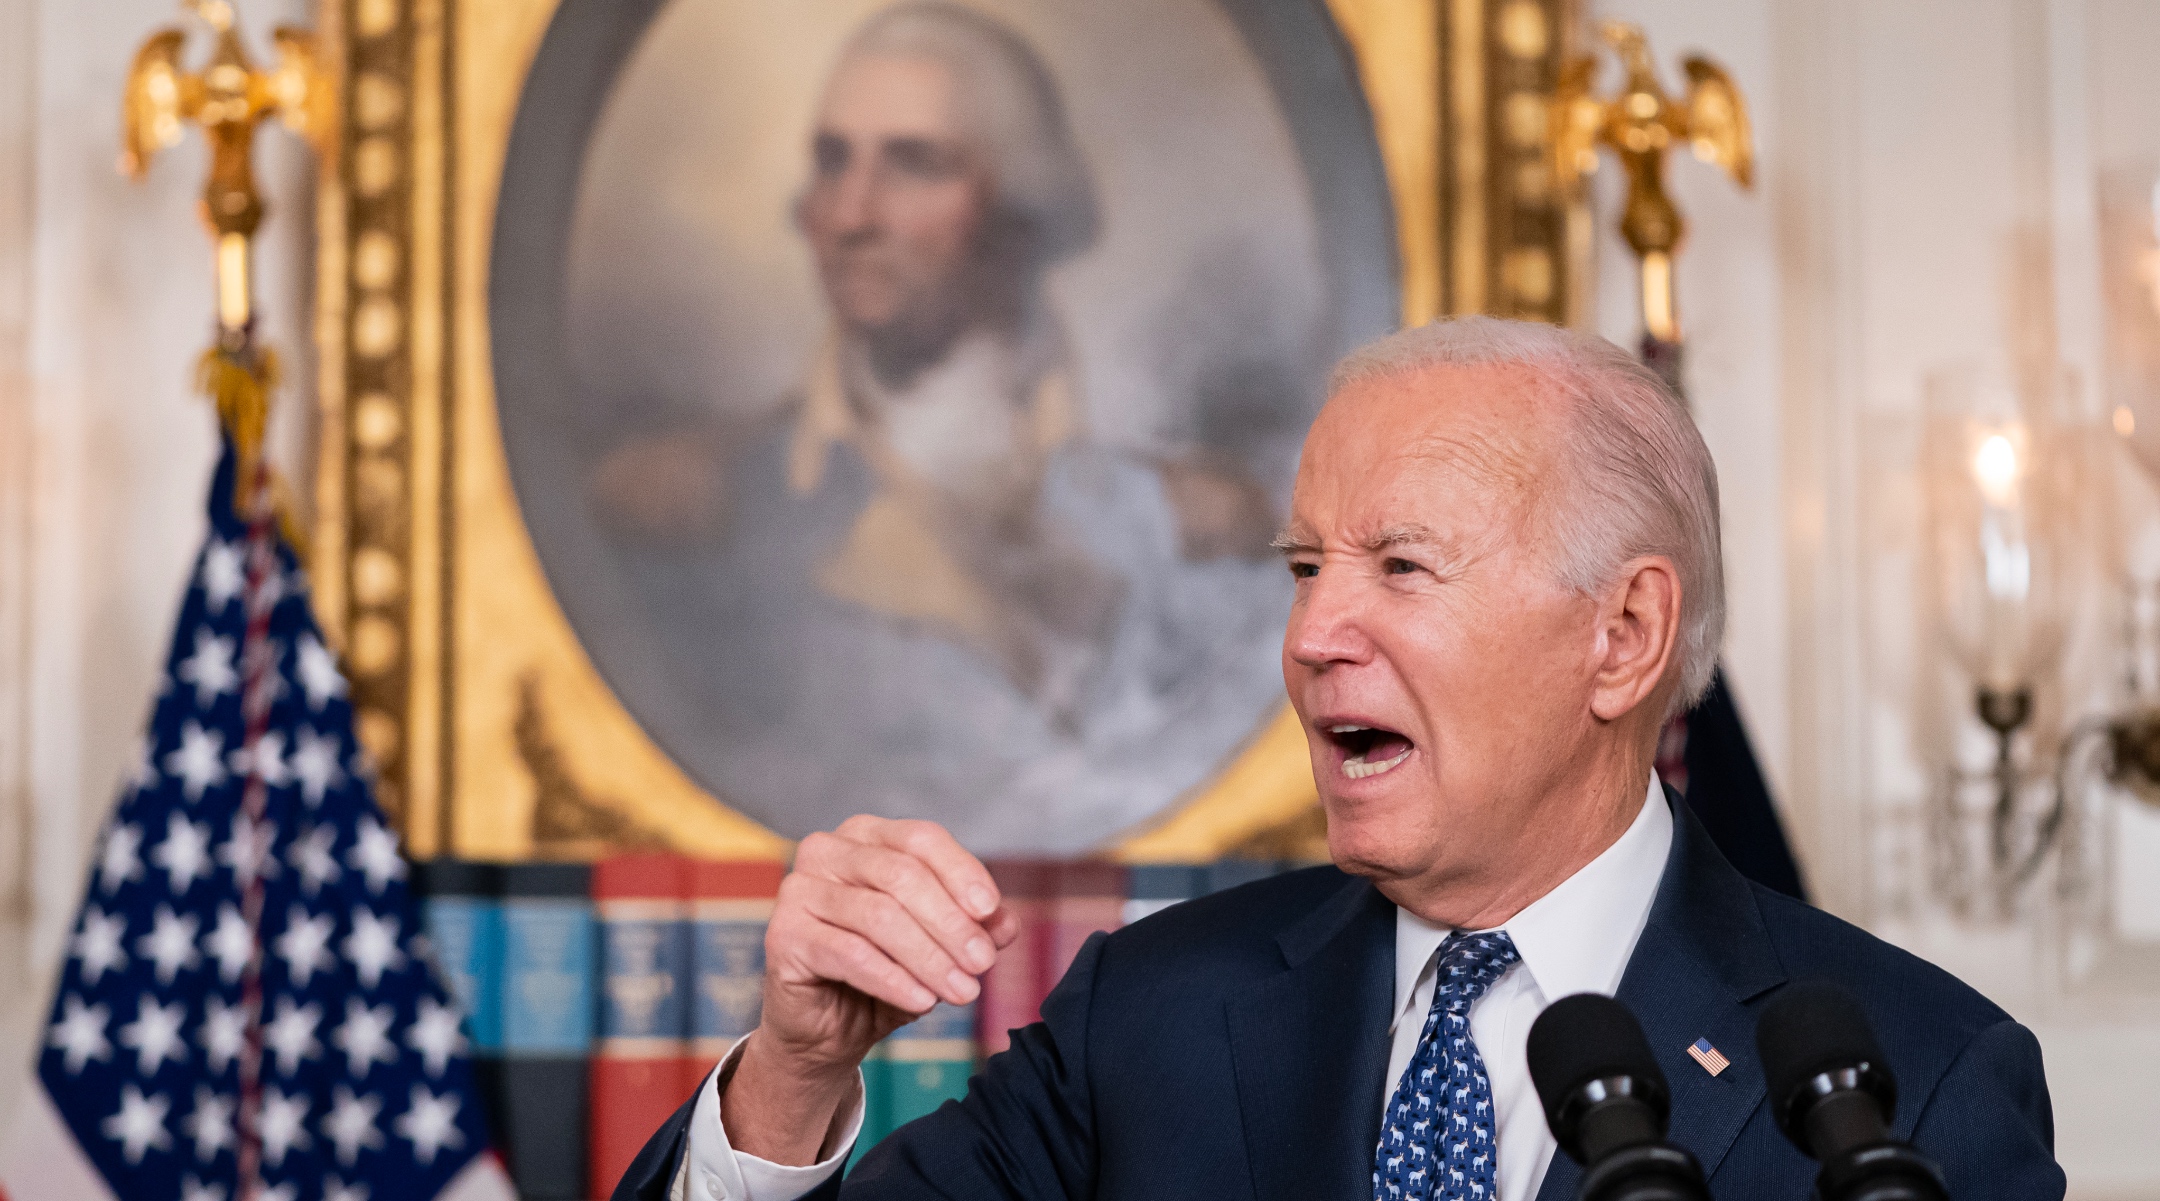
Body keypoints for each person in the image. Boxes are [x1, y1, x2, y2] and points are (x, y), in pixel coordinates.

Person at [614, 317, 2064, 1201]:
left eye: (1401, 566)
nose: (1315, 634)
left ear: (1623, 635)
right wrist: (793, 1078)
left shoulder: (1915, 1084)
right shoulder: (1150, 1018)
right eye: (1306, 566)